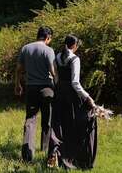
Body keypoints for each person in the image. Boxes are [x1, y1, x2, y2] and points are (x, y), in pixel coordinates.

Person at [48, 34, 97, 170]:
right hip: (71, 97)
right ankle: (72, 158)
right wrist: (88, 97)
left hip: (58, 95)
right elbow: (75, 83)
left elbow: (56, 78)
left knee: (59, 126)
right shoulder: (75, 59)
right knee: (74, 126)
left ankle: (55, 155)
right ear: (74, 46)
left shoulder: (57, 57)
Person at [15, 26, 59, 163]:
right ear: (47, 37)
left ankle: (27, 155)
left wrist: (17, 84)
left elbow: (19, 69)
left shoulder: (25, 48)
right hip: (47, 89)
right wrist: (58, 87)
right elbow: (53, 71)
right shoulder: (48, 50)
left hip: (31, 88)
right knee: (48, 120)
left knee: (30, 120)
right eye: (50, 39)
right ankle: (45, 149)